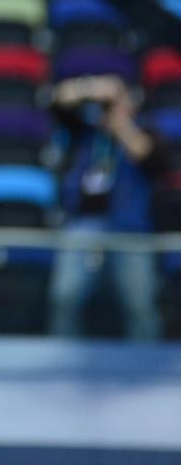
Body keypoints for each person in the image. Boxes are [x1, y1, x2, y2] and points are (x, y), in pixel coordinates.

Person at [49, 74, 166, 341]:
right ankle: (62, 361)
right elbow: (57, 101)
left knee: (140, 305)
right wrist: (90, 89)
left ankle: (146, 364)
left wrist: (119, 118)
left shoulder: (145, 129)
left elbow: (146, 155)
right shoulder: (86, 133)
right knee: (65, 296)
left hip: (129, 226)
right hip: (84, 222)